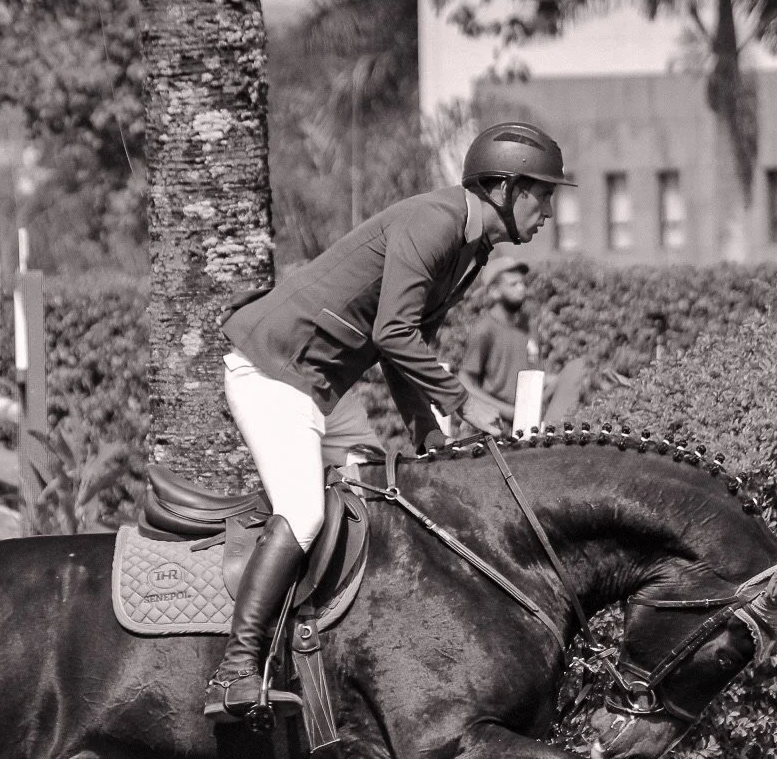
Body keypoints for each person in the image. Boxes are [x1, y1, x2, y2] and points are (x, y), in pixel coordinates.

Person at [206, 121, 574, 720]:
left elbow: (404, 350)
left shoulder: (470, 251)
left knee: (385, 501)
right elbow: (394, 334)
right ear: (505, 189)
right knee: (303, 512)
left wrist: (430, 443)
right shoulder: (435, 222)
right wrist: (462, 402)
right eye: (544, 194)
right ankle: (236, 669)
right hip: (273, 371)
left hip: (316, 388)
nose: (550, 212)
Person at [457, 251, 589, 432]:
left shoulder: (529, 326)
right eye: (513, 284)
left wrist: (565, 380)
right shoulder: (485, 330)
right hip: (496, 426)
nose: (521, 288)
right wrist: (506, 411)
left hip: (530, 422)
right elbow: (465, 382)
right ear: (494, 291)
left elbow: (535, 376)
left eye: (522, 283)